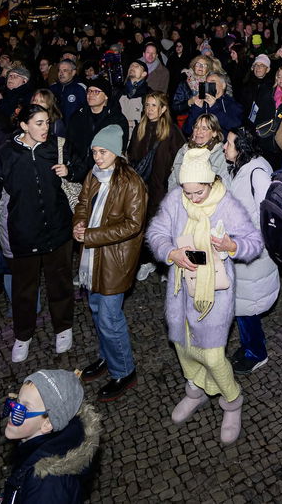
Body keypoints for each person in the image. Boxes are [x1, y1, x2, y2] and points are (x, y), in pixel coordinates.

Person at [146, 147, 262, 445]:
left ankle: (232, 400)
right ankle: (194, 390)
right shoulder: (177, 199)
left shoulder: (227, 204)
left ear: (210, 183)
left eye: (198, 192)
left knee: (211, 353)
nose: (192, 198)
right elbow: (155, 232)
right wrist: (171, 251)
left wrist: (231, 245)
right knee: (183, 345)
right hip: (179, 290)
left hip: (214, 295)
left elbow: (254, 242)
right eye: (187, 192)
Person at [0, 104, 81, 363]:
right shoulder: (5, 155)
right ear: (24, 125)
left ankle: (63, 327)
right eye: (39, 123)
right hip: (23, 235)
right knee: (24, 291)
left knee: (60, 283)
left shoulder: (58, 146)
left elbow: (84, 171)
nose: (45, 128)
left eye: (47, 122)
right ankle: (23, 335)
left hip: (58, 231)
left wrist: (71, 171)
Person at [72, 125, 147, 402]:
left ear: (116, 151)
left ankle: (124, 370)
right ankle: (107, 357)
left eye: (103, 152)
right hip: (93, 256)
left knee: (109, 317)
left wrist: (90, 235)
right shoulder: (94, 174)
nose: (97, 157)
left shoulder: (131, 182)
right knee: (95, 309)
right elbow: (82, 202)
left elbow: (133, 225)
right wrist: (79, 222)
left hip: (116, 260)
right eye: (94, 152)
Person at [222, 127, 280, 375]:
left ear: (243, 148)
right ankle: (250, 346)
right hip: (241, 251)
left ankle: (256, 352)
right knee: (243, 305)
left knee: (247, 306)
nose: (225, 147)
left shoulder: (257, 173)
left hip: (252, 253)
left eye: (229, 143)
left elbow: (268, 216)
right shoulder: (242, 167)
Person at [0, 369, 99, 504]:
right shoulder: (33, 449)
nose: (12, 412)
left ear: (47, 424)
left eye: (25, 409)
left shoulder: (46, 487)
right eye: (17, 401)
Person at [127, 91, 186, 235]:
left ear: (163, 109)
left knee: (156, 227)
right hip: (140, 186)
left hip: (161, 188)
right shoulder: (139, 128)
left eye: (154, 105)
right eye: (147, 105)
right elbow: (131, 155)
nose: (150, 109)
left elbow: (182, 158)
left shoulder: (171, 131)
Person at [167, 113, 228, 190]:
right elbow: (173, 180)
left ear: (214, 133)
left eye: (204, 128)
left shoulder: (221, 154)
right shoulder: (184, 150)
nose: (198, 131)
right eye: (196, 127)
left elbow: (223, 186)